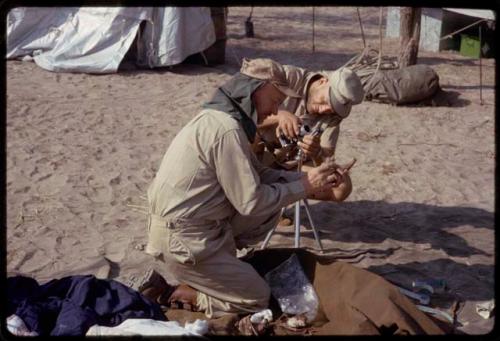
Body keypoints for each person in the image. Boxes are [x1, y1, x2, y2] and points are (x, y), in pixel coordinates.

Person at [143, 58, 349, 318]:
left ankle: (217, 270)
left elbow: (260, 173)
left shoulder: (220, 120)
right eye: (274, 101)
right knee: (257, 297)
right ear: (255, 90)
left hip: (192, 231)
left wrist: (306, 181)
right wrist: (306, 185)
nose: (274, 111)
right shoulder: (226, 130)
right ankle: (180, 293)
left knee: (272, 207)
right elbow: (251, 202)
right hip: (184, 241)